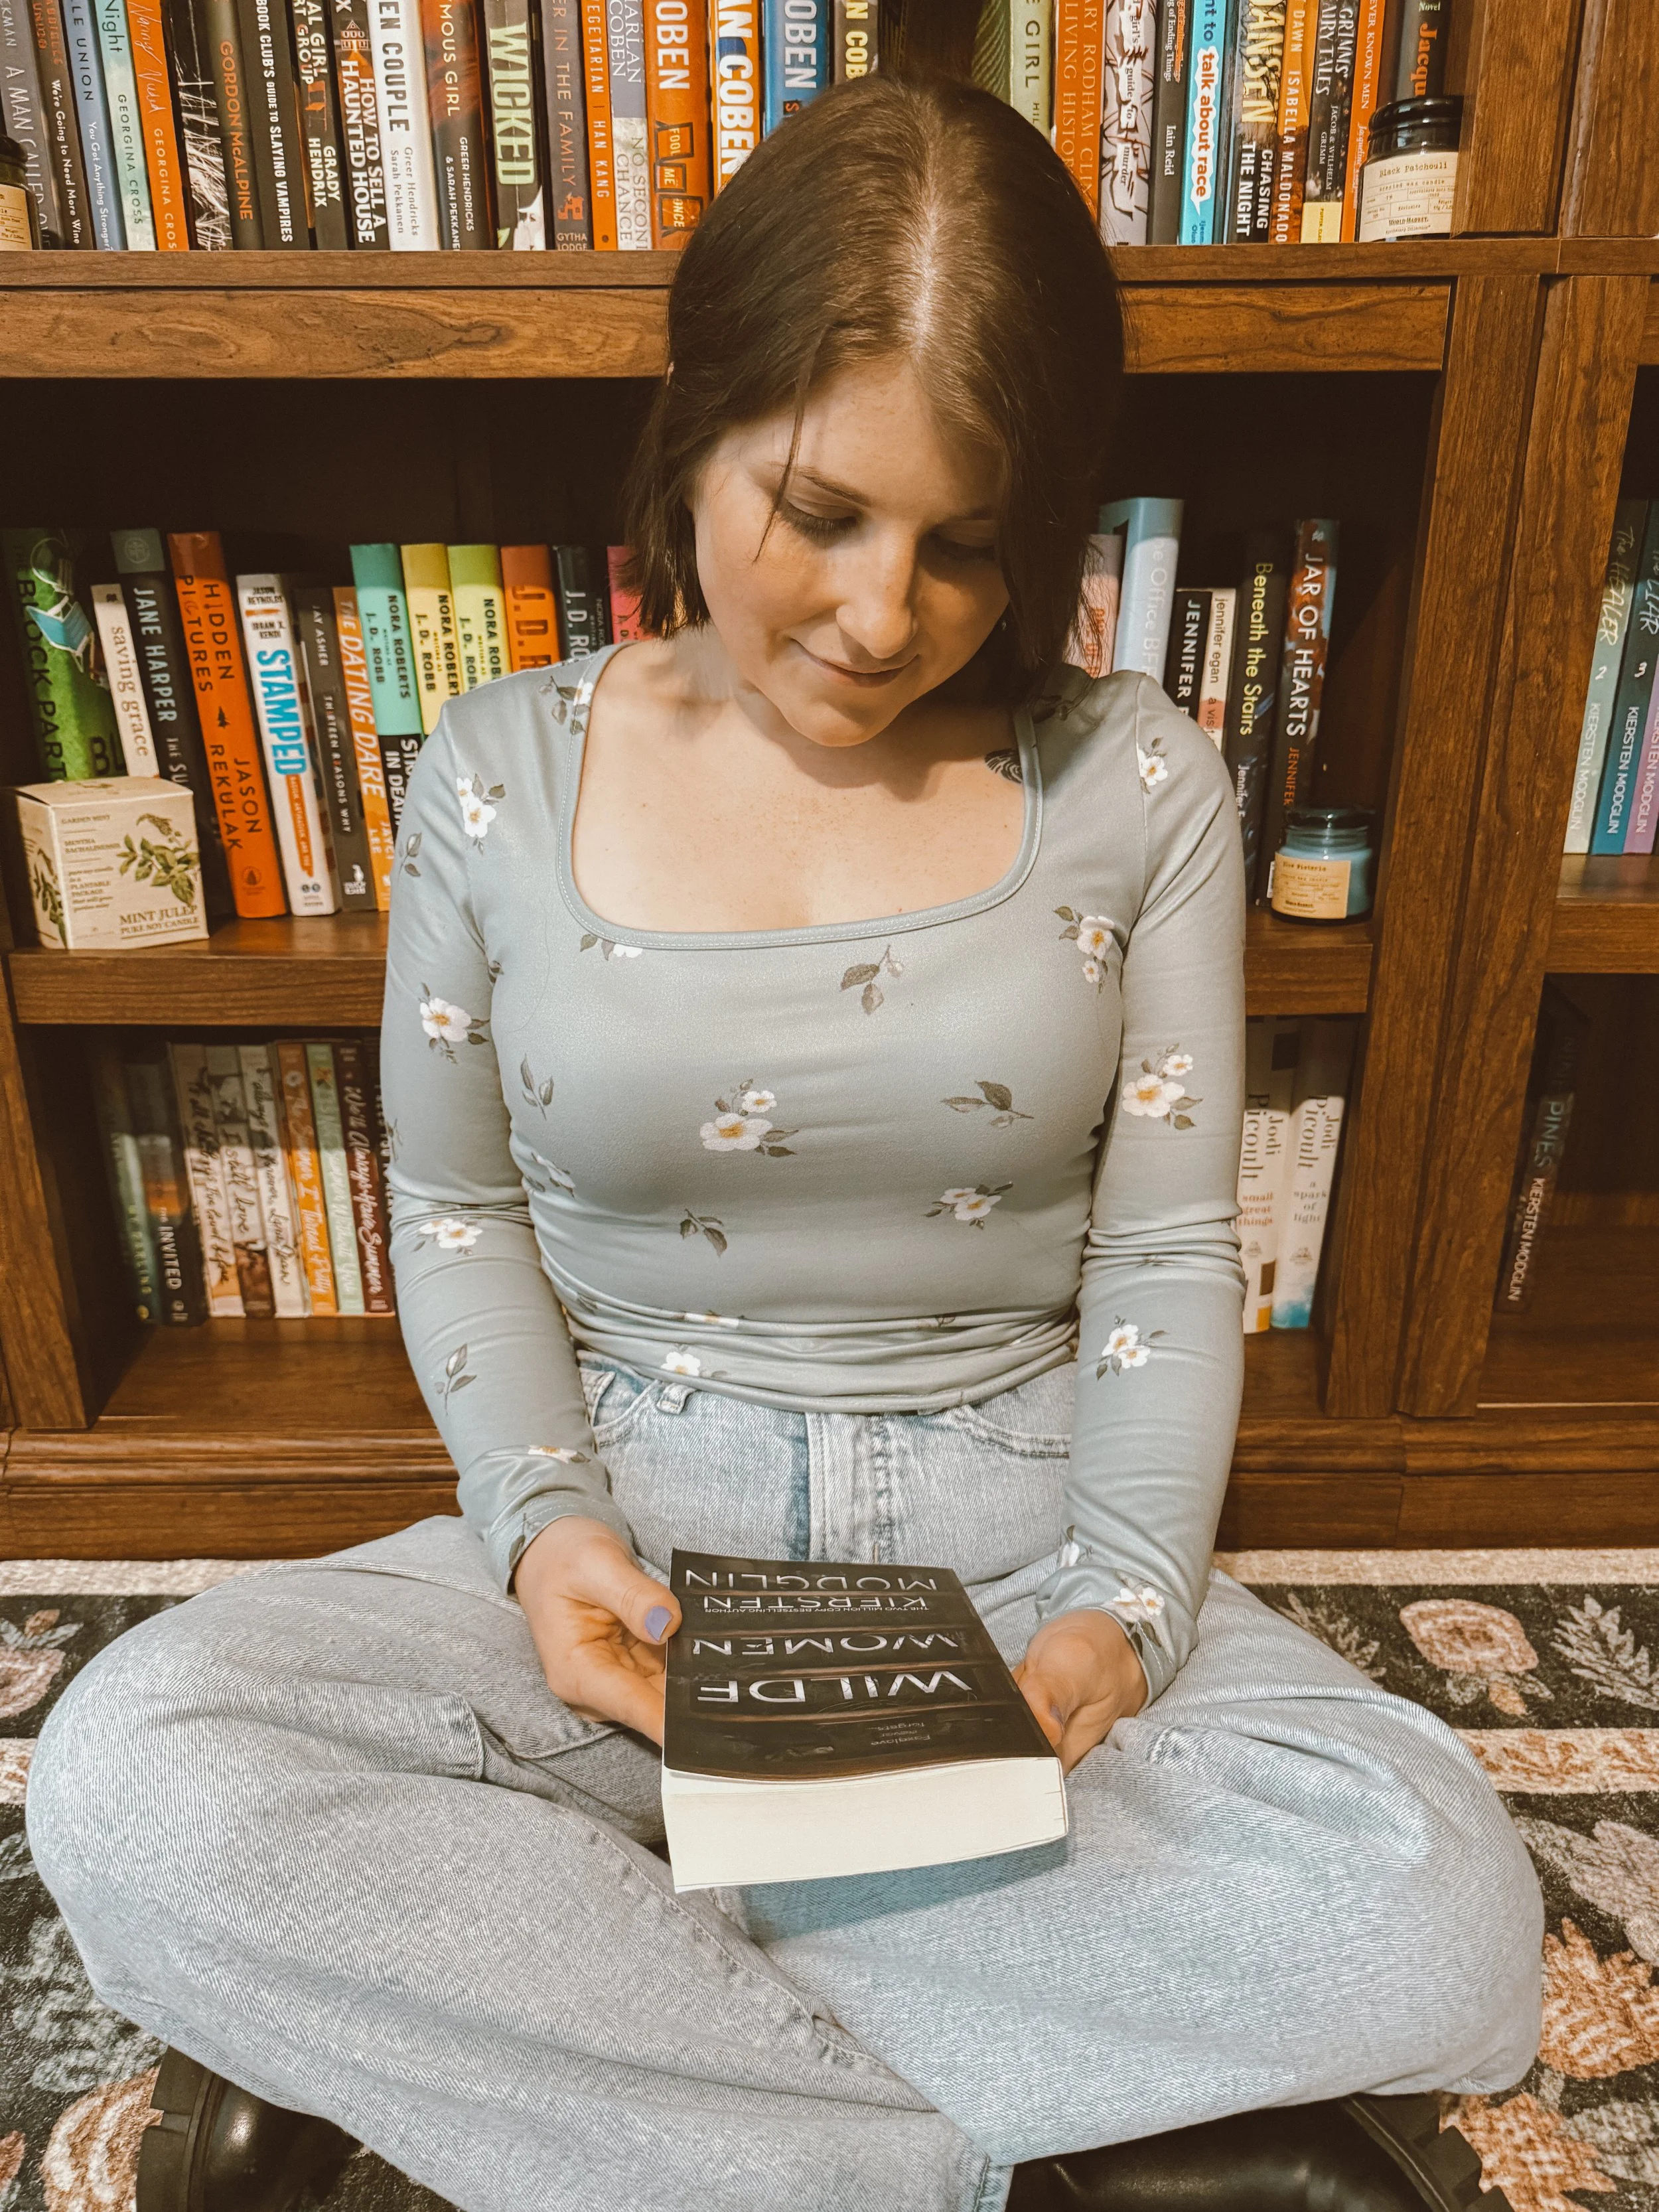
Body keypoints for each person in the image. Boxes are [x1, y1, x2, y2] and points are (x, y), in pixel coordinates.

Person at [31, 70, 1542, 2212]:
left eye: (966, 542)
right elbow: (455, 1206)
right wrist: (550, 1535)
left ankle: (514, 2020)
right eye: (816, 510)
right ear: (694, 427)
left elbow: (1168, 1256)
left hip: (1016, 1513)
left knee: (1426, 1902)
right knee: (148, 1778)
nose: (879, 613)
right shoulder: (490, 767)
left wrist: (1123, 1602)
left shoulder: (1141, 774)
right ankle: (987, 2155)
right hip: (636, 1516)